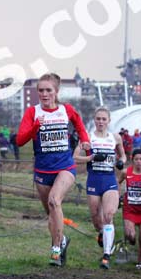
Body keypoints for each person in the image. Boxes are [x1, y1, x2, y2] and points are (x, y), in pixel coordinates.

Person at [16, 73, 90, 266]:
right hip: (43, 170)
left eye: (48, 90)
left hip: (65, 166)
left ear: (56, 91)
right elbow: (20, 140)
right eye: (40, 90)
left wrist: (85, 140)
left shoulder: (66, 110)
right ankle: (62, 240)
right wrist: (35, 128)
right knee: (51, 212)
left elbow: (79, 124)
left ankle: (55, 248)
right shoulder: (32, 112)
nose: (44, 94)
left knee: (54, 201)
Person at [74, 106, 125, 269]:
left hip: (109, 180)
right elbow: (74, 158)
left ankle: (106, 255)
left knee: (109, 215)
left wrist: (121, 162)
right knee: (97, 220)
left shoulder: (115, 137)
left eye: (104, 119)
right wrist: (91, 157)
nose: (101, 122)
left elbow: (123, 155)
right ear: (94, 120)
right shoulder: (87, 137)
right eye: (98, 119)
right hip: (94, 180)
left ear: (109, 121)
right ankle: (103, 234)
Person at [117, 149, 141, 270]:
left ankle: (139, 262)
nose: (138, 162)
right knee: (130, 235)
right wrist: (118, 196)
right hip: (130, 209)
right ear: (132, 160)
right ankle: (131, 240)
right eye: (136, 159)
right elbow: (118, 183)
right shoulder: (126, 172)